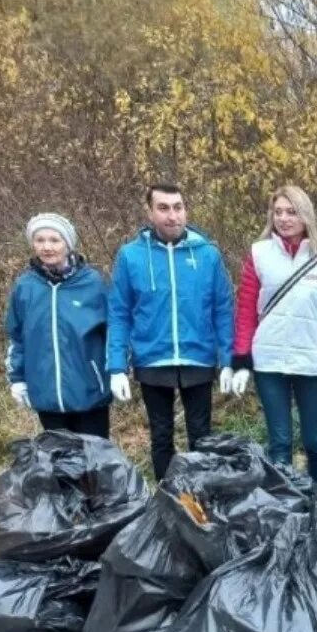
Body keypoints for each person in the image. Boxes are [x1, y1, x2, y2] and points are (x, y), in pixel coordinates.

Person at [107, 183, 235, 481]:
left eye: (178, 207)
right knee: (161, 435)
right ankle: (168, 500)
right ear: (150, 212)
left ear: (186, 209)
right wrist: (116, 365)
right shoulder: (131, 256)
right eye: (163, 208)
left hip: (198, 357)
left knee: (201, 436)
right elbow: (119, 312)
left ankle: (202, 497)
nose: (172, 215)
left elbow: (222, 309)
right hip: (152, 359)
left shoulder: (207, 254)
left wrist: (228, 360)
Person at [229, 185, 317, 483]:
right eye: (278, 212)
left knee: (315, 442)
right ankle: (283, 507)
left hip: (313, 362)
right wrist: (242, 361)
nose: (284, 219)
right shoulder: (259, 255)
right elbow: (246, 312)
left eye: (292, 212)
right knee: (280, 443)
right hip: (269, 362)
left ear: (305, 215)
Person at [5, 213, 112, 437]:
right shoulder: (25, 287)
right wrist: (17, 378)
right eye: (40, 240)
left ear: (68, 244)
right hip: (45, 394)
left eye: (54, 240)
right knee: (60, 464)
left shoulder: (92, 283)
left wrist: (117, 371)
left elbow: (113, 331)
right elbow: (16, 337)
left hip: (89, 393)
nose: (47, 247)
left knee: (96, 463)